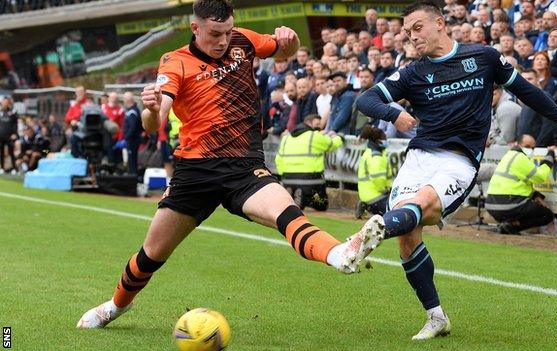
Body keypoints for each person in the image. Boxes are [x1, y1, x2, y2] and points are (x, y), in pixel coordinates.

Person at [76, 0, 384, 329]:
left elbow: (283, 52)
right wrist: (149, 108)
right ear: (195, 28)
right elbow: (155, 122)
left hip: (244, 166)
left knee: (288, 213)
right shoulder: (175, 62)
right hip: (196, 172)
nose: (223, 40)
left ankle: (340, 255)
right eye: (215, 33)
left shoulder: (243, 40)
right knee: (151, 254)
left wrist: (290, 40)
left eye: (227, 32)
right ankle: (116, 306)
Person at [355, 0, 557, 341]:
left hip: (459, 160)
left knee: (421, 204)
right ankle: (436, 318)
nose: (412, 37)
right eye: (407, 33)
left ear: (440, 24)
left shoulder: (483, 57)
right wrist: (394, 114)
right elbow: (366, 100)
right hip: (419, 157)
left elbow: (526, 91)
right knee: (407, 236)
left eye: (417, 28)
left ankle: (361, 239)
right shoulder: (412, 72)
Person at [485, 135, 556, 234]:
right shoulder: (520, 158)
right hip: (508, 204)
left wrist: (535, 195)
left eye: (533, 147)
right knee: (546, 215)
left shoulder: (508, 156)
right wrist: (550, 155)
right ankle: (511, 227)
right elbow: (540, 176)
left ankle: (507, 225)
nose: (530, 149)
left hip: (491, 205)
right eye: (527, 146)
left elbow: (520, 183)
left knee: (527, 207)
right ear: (518, 144)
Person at [275, 114, 343, 211]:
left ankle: (294, 194)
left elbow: (278, 159)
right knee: (322, 205)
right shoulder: (314, 136)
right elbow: (333, 145)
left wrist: (283, 175)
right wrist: (339, 137)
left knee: (300, 196)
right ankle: (304, 196)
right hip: (311, 179)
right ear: (308, 123)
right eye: (317, 124)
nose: (320, 127)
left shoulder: (286, 138)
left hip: (287, 178)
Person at [355, 126, 392, 218]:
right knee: (397, 213)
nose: (386, 142)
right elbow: (378, 180)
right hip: (376, 197)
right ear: (378, 141)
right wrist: (386, 190)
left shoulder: (368, 152)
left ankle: (365, 204)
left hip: (366, 195)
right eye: (384, 140)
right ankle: (368, 206)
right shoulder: (376, 157)